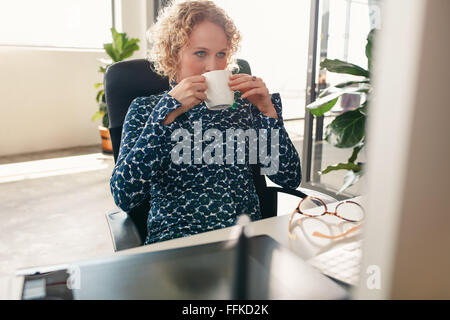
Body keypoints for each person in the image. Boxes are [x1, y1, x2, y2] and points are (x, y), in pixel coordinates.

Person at [110, 0, 301, 245]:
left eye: (221, 54)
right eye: (200, 53)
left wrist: (268, 113)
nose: (213, 66)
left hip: (245, 244)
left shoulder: (245, 105)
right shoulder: (146, 109)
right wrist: (165, 116)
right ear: (173, 54)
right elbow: (124, 195)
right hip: (176, 247)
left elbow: (289, 178)